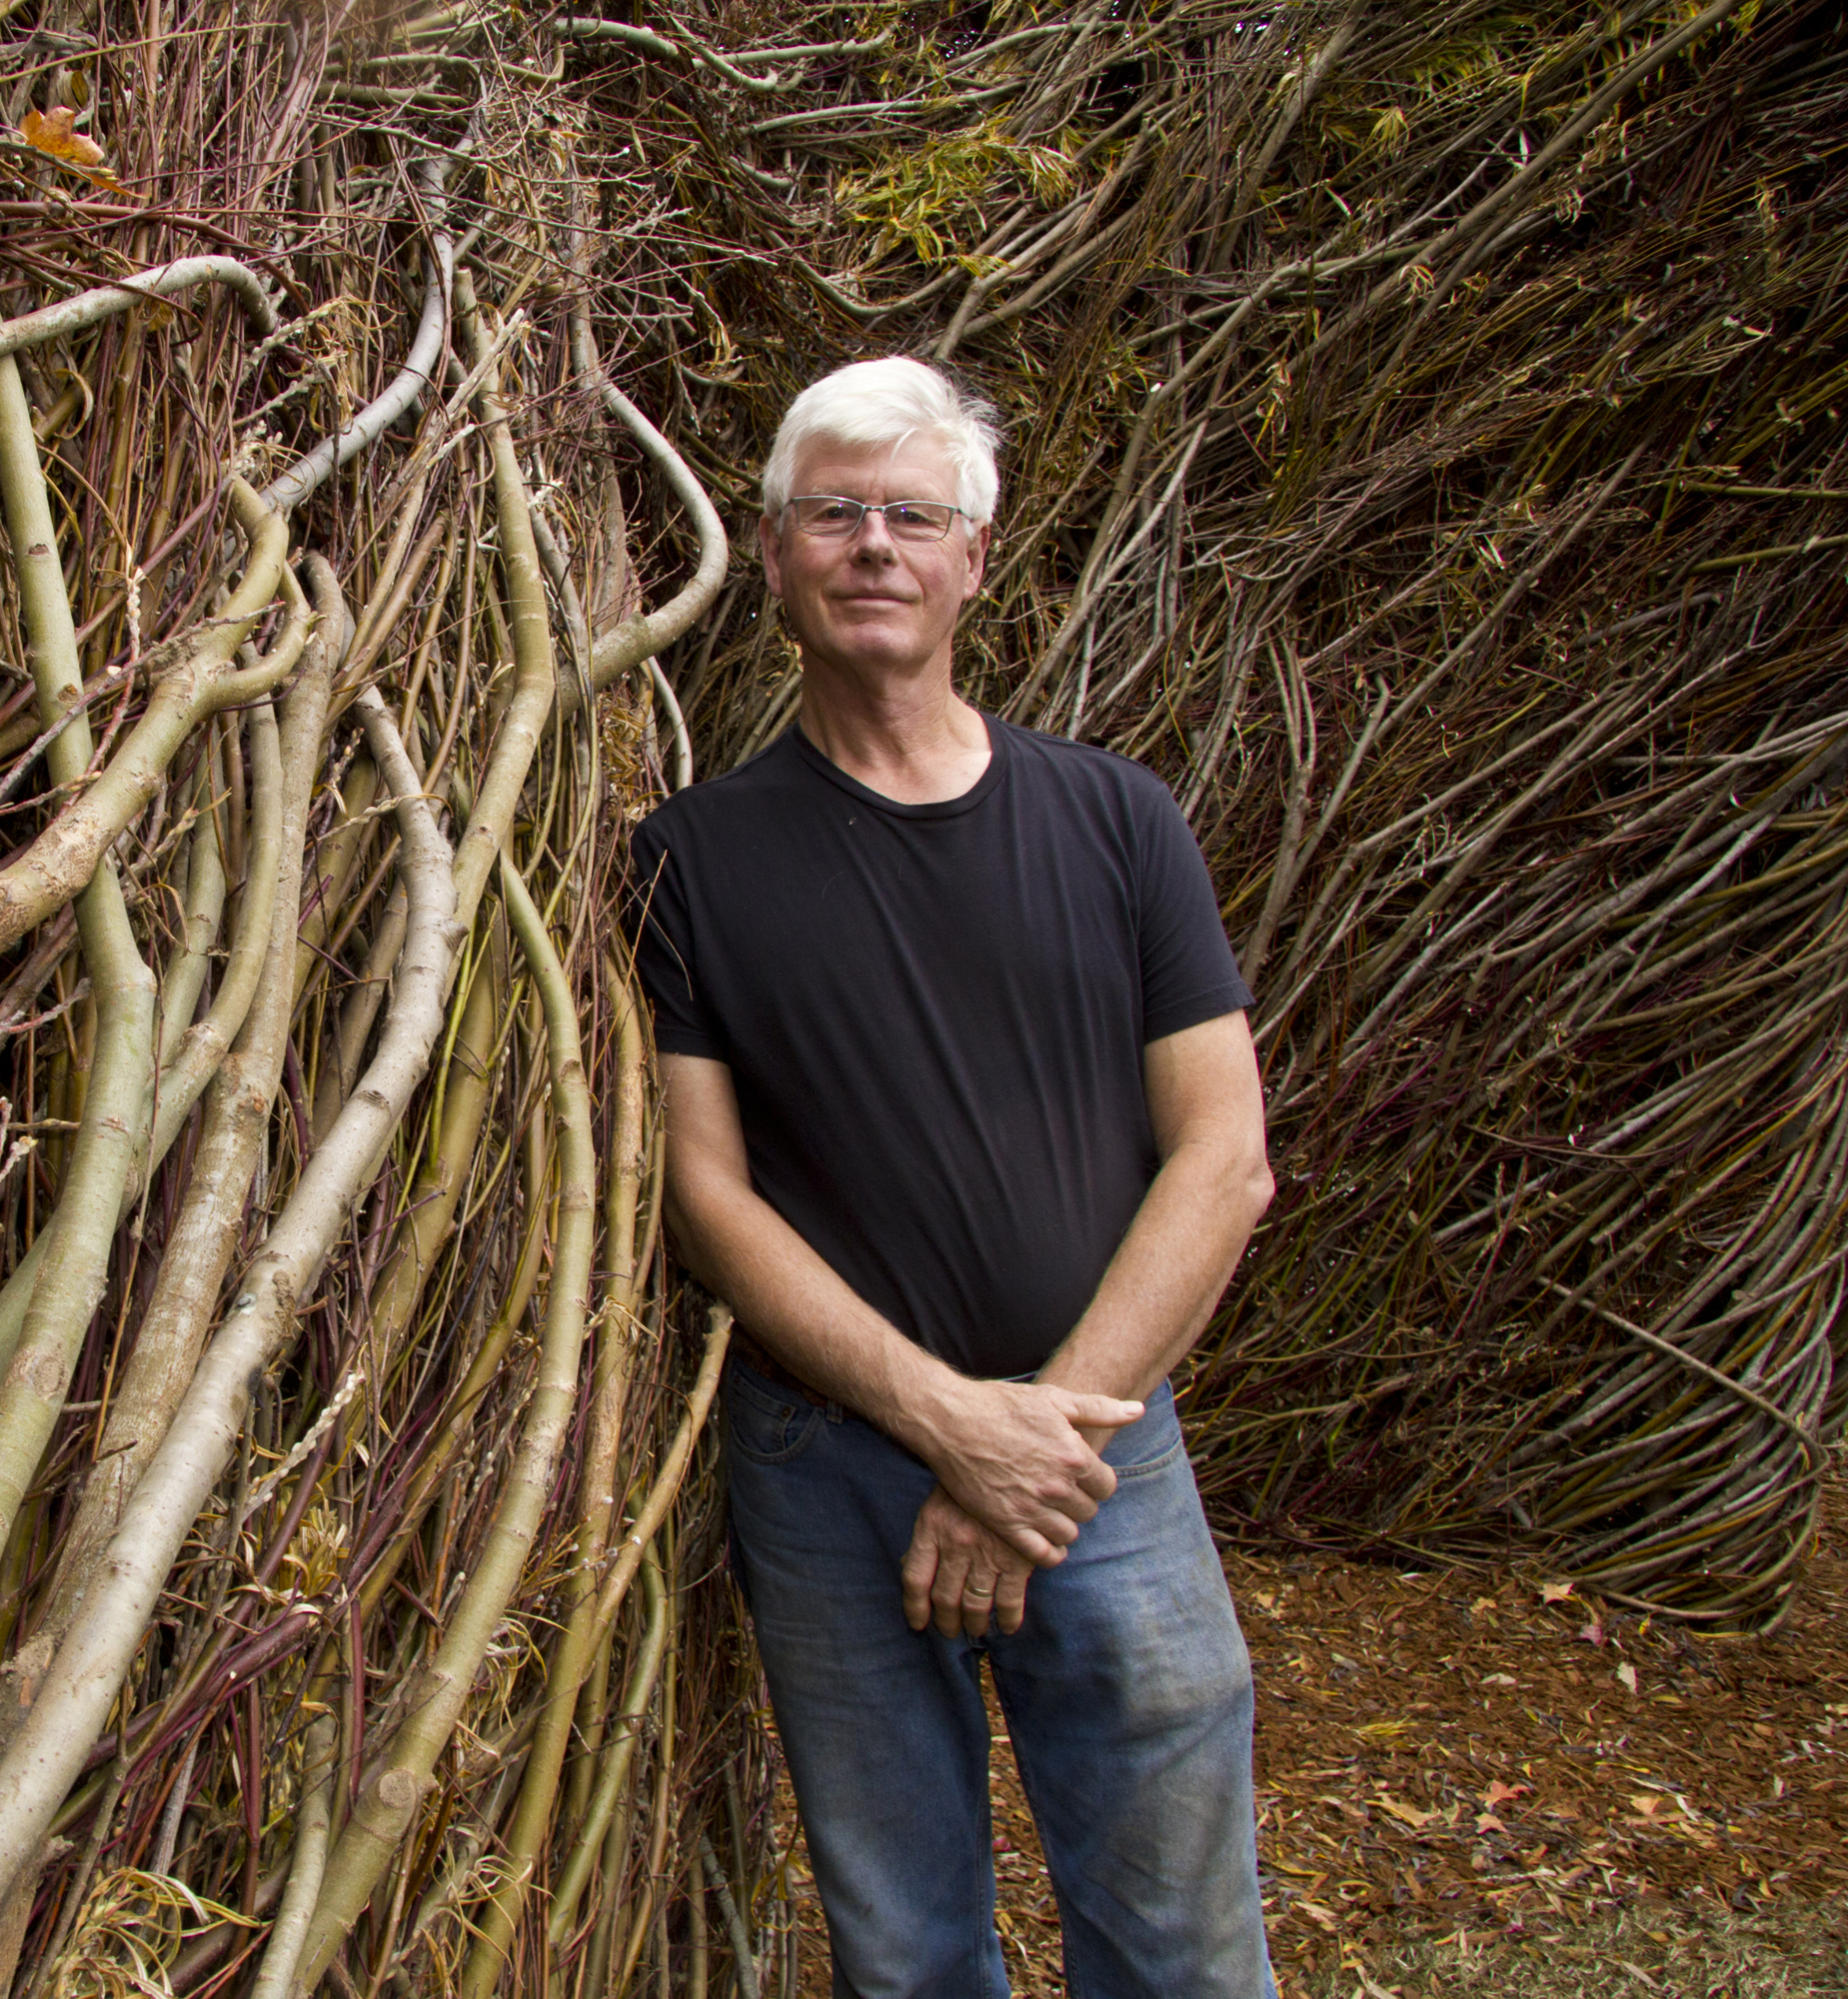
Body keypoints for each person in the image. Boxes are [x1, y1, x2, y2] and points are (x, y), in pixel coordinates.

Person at [628, 356, 1279, 1999]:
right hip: (830, 1467)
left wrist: (1035, 1436)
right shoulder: (685, 861)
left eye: (914, 514)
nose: (873, 546)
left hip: (1103, 1465)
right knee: (906, 1951)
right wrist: (944, 1420)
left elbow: (1227, 1159)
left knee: (1184, 1946)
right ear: (770, 555)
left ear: (972, 560)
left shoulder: (1118, 821)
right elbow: (710, 1198)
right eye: (832, 512)